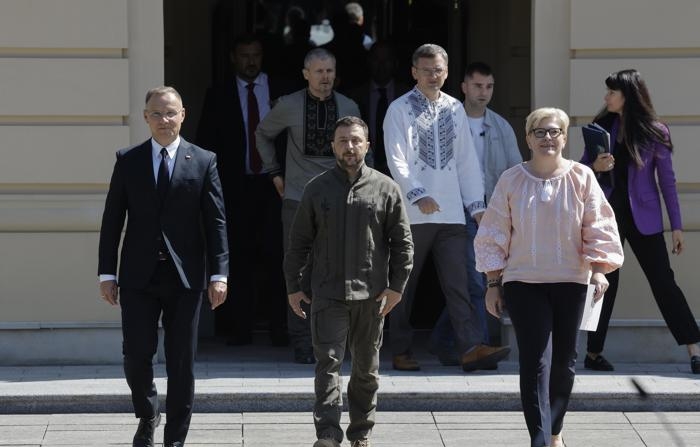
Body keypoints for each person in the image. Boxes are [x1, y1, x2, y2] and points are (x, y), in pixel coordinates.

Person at [475, 107, 624, 447]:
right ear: (528, 137)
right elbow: (493, 233)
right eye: (539, 132)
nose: (547, 138)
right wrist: (493, 283)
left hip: (572, 281)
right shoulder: (511, 179)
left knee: (564, 363)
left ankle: (554, 430)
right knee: (535, 361)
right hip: (523, 283)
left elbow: (598, 225)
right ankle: (540, 440)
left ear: (564, 137)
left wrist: (600, 270)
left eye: (554, 131)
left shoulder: (582, 177)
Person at [98, 86, 228, 447]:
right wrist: (106, 273)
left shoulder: (203, 161)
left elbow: (215, 222)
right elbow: (112, 220)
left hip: (185, 277)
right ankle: (147, 413)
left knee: (181, 361)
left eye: (171, 113)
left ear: (183, 115)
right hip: (138, 276)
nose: (164, 120)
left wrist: (219, 274)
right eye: (157, 113)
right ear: (145, 117)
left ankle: (175, 439)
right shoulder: (128, 160)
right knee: (137, 356)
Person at [285, 116, 414, 447]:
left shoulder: (386, 188)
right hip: (327, 295)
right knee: (327, 366)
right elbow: (298, 242)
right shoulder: (317, 188)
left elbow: (403, 244)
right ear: (333, 146)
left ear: (367, 145)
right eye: (343, 141)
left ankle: (361, 434)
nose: (350, 146)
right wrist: (294, 286)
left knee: (366, 373)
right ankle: (327, 434)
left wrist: (397, 287)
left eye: (356, 140)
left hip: (371, 297)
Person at [383, 43, 510, 372]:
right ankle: (400, 349)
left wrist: (477, 207)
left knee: (461, 284)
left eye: (438, 70)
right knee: (404, 285)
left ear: (447, 72)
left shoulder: (455, 108)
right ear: (414, 72)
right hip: (413, 213)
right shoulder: (399, 109)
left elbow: (466, 162)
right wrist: (417, 193)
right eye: (426, 70)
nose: (432, 76)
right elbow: (396, 159)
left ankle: (470, 347)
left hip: (453, 212)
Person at [580, 69, 700, 373]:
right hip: (608, 216)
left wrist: (676, 226)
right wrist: (595, 165)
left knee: (663, 281)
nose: (606, 97)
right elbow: (580, 172)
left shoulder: (655, 131)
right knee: (605, 282)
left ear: (627, 96)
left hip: (644, 217)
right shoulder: (600, 127)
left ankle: (694, 349)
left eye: (611, 93)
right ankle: (592, 354)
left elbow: (668, 183)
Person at [256, 48, 361, 364]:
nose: (325, 77)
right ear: (306, 74)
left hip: (341, 199)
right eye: (318, 71)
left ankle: (338, 340)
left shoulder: (349, 106)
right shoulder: (288, 105)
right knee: (299, 271)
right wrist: (274, 171)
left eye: (329, 71)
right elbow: (262, 134)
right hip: (298, 198)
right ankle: (302, 342)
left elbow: (364, 151)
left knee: (343, 269)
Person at [196, 33, 290, 347]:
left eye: (256, 55)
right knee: (239, 258)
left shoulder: (281, 90)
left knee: (278, 256)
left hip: (274, 185)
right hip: (235, 188)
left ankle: (281, 329)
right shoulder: (218, 94)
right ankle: (240, 330)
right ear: (234, 58)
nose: (251, 61)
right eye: (245, 55)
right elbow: (207, 143)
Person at [429, 61, 523, 365]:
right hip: (454, 210)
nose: (484, 92)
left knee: (474, 279)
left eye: (489, 86)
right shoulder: (445, 122)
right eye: (478, 86)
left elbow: (514, 171)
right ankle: (479, 344)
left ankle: (443, 341)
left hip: (490, 211)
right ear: (464, 87)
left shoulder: (500, 126)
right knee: (475, 279)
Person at [347, 40, 411, 176]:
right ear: (369, 62)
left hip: (401, 170)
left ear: (395, 63)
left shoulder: (408, 96)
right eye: (376, 60)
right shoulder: (355, 97)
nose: (381, 65)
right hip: (363, 169)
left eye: (386, 60)